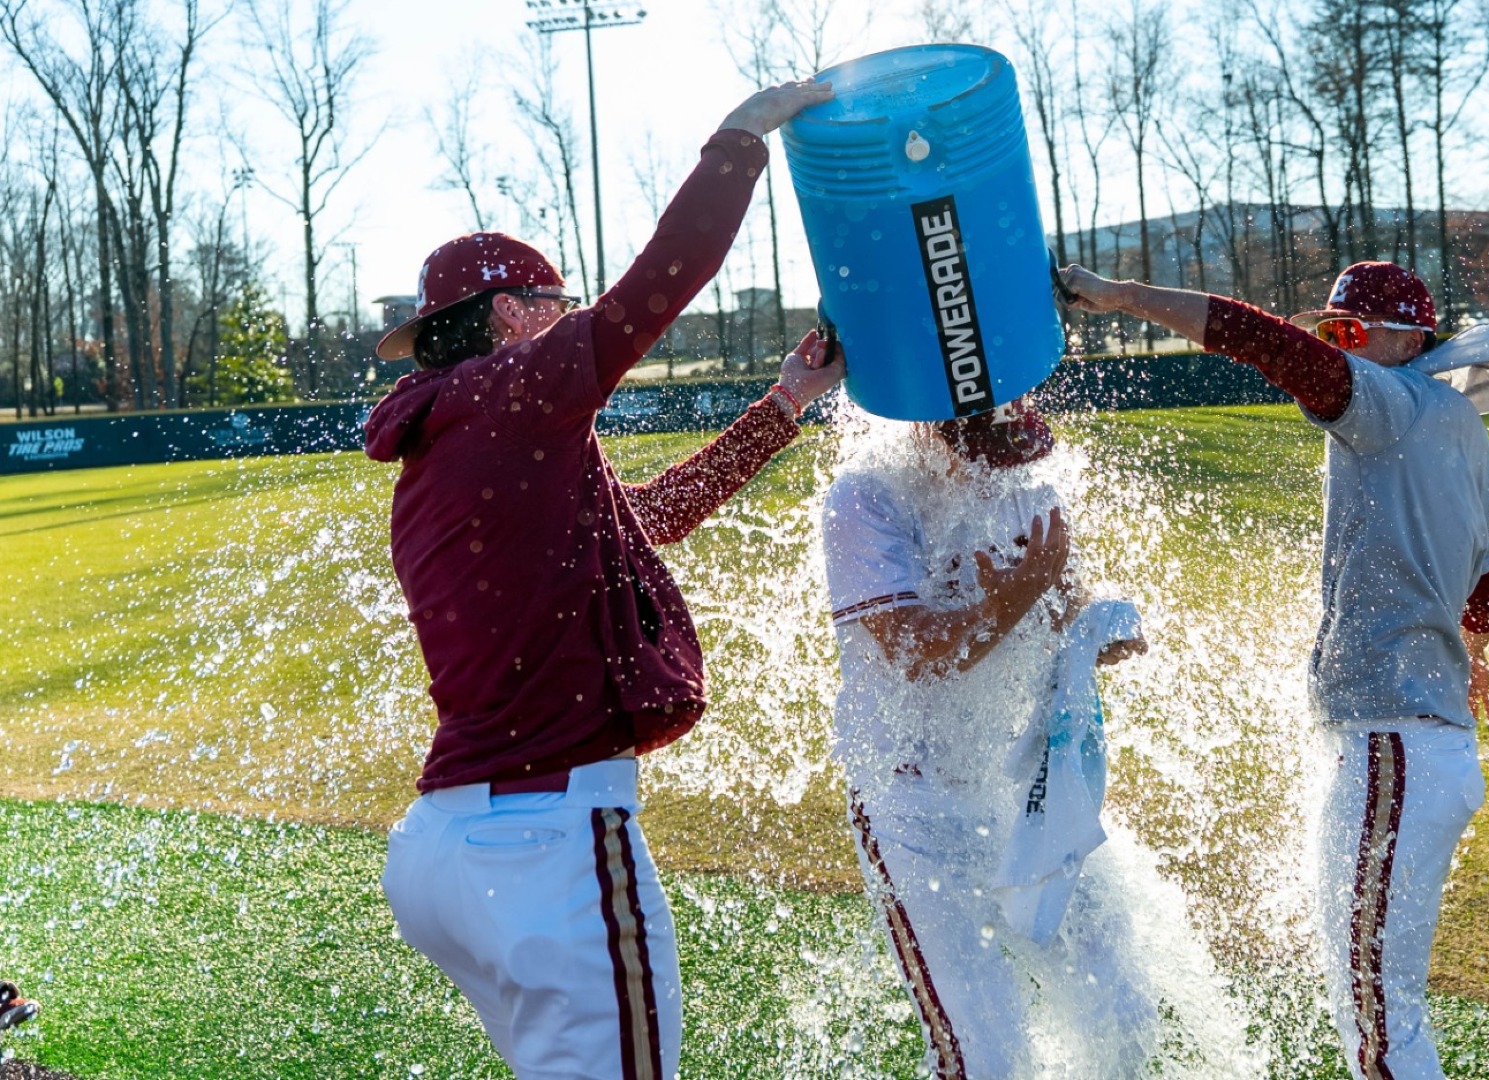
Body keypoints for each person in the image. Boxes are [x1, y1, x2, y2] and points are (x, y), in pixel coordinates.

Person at [365, 80, 843, 1080]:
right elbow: (653, 293)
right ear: (508, 316)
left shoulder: (455, 429)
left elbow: (649, 519)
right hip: (545, 843)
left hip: (450, 850)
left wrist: (786, 404)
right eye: (555, 302)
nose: (571, 317)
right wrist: (741, 139)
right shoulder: (512, 389)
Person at [1059, 260, 1489, 1080]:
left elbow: (1264, 344)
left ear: (1411, 339)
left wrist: (1125, 298)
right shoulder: (1461, 424)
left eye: (1351, 332)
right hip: (1415, 746)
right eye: (1332, 331)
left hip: (1394, 747)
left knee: (1380, 1024)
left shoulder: (1388, 404)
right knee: (1373, 1009)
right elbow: (1485, 576)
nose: (1334, 346)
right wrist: (1472, 648)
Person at [820, 399, 1160, 1078]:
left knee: (1124, 1015)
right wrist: (1021, 591)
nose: (1000, 477)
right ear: (933, 440)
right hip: (911, 804)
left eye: (1013, 458)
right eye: (987, 459)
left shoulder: (1024, 487)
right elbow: (917, 653)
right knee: (986, 1054)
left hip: (1018, 792)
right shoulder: (864, 498)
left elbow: (1063, 608)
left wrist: (1100, 629)